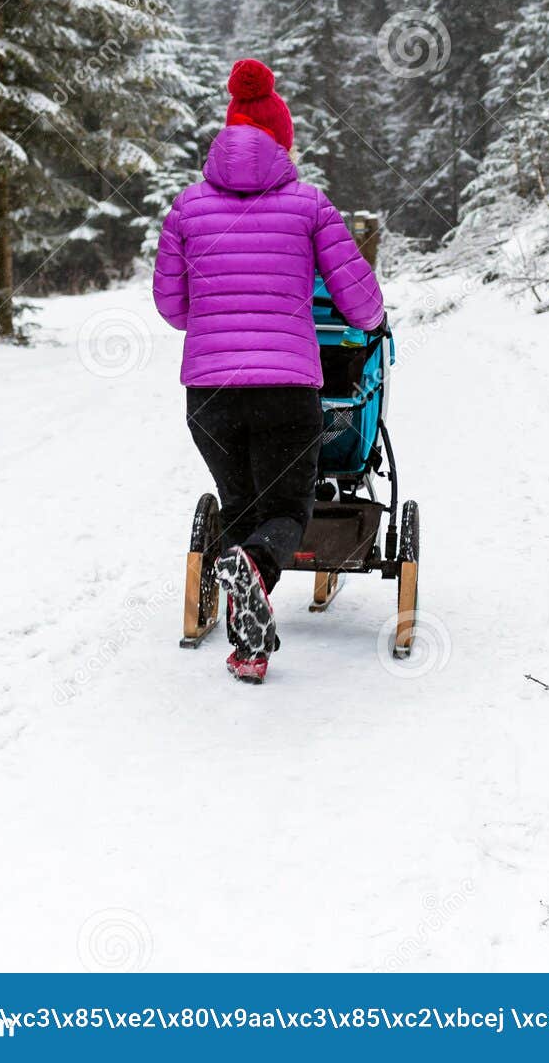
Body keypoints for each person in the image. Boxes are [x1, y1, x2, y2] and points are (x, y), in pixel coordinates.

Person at [152, 57, 385, 683]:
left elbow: (173, 309)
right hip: (286, 389)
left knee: (241, 508)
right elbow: (362, 304)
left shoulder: (186, 208)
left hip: (211, 393)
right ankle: (256, 567)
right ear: (282, 142)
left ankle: (249, 649)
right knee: (285, 511)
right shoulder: (310, 206)